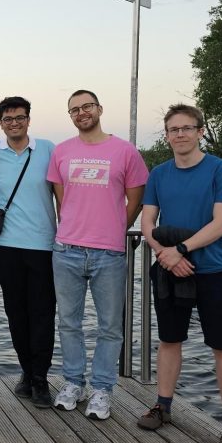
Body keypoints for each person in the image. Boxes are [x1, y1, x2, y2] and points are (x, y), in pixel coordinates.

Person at [137, 104, 222, 443]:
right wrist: (164, 255)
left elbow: (221, 224)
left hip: (214, 270)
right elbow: (147, 224)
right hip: (170, 270)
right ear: (167, 135)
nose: (180, 134)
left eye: (187, 128)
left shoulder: (220, 170)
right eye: (173, 129)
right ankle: (163, 405)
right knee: (169, 340)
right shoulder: (160, 174)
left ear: (201, 131)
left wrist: (180, 249)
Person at [47, 90, 148, 420]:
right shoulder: (62, 152)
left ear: (99, 109)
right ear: (71, 116)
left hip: (109, 253)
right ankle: (73, 383)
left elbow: (134, 200)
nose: (81, 112)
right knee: (68, 322)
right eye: (74, 109)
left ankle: (102, 389)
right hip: (67, 250)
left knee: (109, 326)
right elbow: (63, 201)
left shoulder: (125, 151)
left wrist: (117, 229)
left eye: (86, 106)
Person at [0, 97, 58, 408]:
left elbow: (60, 192)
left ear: (29, 120)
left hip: (43, 245)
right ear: (0, 122)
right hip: (5, 246)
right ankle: (26, 372)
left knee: (42, 313)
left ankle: (41, 378)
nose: (14, 122)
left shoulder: (48, 149)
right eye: (8, 118)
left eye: (20, 117)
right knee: (16, 313)